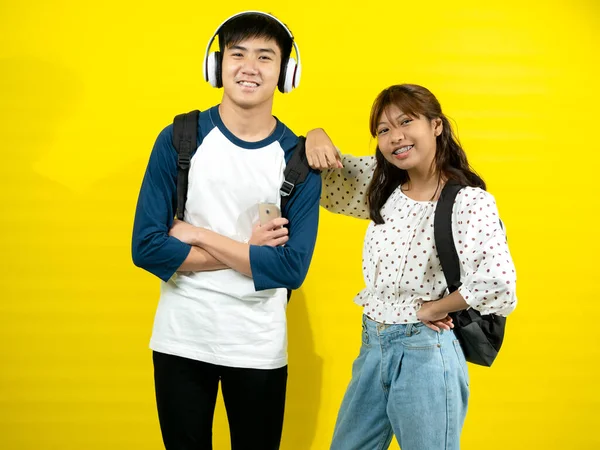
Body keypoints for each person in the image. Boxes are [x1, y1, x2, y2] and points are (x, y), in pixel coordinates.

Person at [131, 11, 321, 450]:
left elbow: (290, 269)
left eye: (265, 57)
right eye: (237, 54)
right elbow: (146, 248)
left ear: (286, 73)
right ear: (217, 66)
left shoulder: (298, 159)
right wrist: (250, 253)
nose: (249, 67)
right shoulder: (180, 137)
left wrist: (197, 234)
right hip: (181, 338)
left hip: (258, 345)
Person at [305, 84, 517, 450]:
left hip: (426, 352)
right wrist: (314, 134)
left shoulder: (468, 201)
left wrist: (434, 308)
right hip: (372, 345)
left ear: (436, 125)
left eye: (406, 122)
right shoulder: (382, 186)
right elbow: (324, 175)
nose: (395, 137)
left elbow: (498, 282)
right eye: (384, 130)